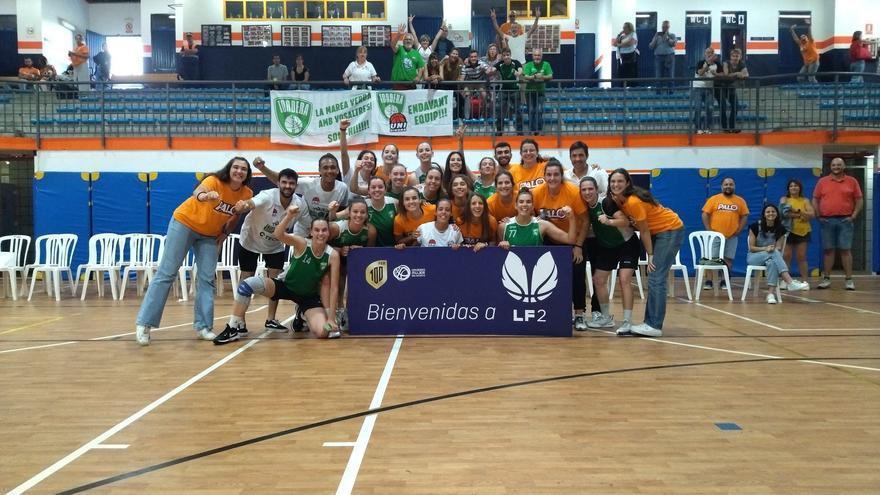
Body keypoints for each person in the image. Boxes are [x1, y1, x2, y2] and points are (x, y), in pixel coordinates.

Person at [135, 158, 254, 346]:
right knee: (167, 273)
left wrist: (224, 233)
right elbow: (198, 191)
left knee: (207, 278)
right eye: (236, 167)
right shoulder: (214, 181)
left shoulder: (247, 193)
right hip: (184, 223)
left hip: (209, 235)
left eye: (243, 169)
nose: (239, 171)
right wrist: (204, 197)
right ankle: (144, 324)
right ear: (229, 169)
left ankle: (204, 327)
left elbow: (235, 216)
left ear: (247, 174)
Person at [212, 207, 341, 344]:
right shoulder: (302, 243)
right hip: (285, 286)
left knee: (323, 332)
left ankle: (302, 314)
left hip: (308, 297)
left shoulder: (332, 255)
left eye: (324, 230)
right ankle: (233, 327)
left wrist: (331, 318)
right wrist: (289, 216)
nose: (320, 233)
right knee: (246, 285)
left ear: (329, 232)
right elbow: (278, 234)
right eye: (317, 230)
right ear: (310, 231)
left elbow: (334, 288)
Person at [610, 168, 684, 338]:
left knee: (656, 276)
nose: (616, 184)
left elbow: (643, 231)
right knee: (655, 277)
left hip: (670, 230)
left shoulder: (633, 201)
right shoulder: (620, 200)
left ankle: (654, 325)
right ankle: (649, 323)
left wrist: (650, 256)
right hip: (659, 232)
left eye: (620, 181)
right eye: (613, 181)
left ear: (627, 183)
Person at [236, 161, 307, 333]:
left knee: (274, 281)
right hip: (250, 240)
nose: (287, 186)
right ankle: (239, 320)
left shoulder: (299, 204)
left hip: (275, 244)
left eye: (291, 183)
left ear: (296, 186)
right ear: (278, 183)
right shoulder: (267, 195)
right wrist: (243, 205)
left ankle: (271, 319)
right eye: (284, 182)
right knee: (246, 278)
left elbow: (307, 224)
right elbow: (251, 203)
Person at [532, 159, 588, 328]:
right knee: (547, 276)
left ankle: (579, 314)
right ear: (544, 176)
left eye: (556, 174)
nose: (552, 178)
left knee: (577, 273)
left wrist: (578, 247)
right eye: (549, 174)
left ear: (561, 176)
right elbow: (533, 216)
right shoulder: (537, 193)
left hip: (572, 239)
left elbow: (585, 221)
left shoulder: (572, 191)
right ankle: (554, 311)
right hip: (549, 239)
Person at [580, 176, 640, 334]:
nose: (587, 192)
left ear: (596, 190)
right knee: (598, 280)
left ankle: (627, 321)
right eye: (584, 190)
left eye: (590, 189)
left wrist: (609, 221)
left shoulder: (606, 202)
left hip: (627, 243)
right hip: (607, 247)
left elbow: (625, 222)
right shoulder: (585, 208)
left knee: (625, 279)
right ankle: (606, 318)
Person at [812, 157, 863, 290]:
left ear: (844, 166)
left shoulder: (852, 181)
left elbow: (859, 200)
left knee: (846, 250)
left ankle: (849, 280)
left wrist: (853, 216)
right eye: (834, 165)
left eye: (839, 165)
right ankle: (826, 279)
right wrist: (818, 215)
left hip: (845, 220)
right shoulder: (822, 182)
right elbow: (815, 199)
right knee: (828, 250)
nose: (836, 167)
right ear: (831, 167)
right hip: (826, 220)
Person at [328, 197, 377, 328]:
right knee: (339, 277)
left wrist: (361, 251)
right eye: (355, 211)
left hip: (354, 263)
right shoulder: (336, 228)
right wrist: (338, 250)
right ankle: (338, 309)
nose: (359, 215)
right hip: (333, 261)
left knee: (355, 280)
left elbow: (370, 254)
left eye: (362, 212)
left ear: (367, 214)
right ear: (349, 213)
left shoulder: (370, 231)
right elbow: (320, 245)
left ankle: (351, 311)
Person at [746, 205, 811, 304]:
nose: (770, 213)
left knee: (772, 261)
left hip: (771, 255)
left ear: (777, 214)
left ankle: (770, 294)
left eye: (773, 211)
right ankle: (789, 281)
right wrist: (765, 248)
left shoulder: (780, 228)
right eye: (768, 212)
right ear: (764, 214)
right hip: (754, 256)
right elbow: (752, 248)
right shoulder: (755, 226)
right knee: (774, 254)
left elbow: (779, 247)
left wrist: (772, 249)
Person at [701, 177, 749, 290]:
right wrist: (709, 229)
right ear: (722, 186)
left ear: (734, 186)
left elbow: (745, 215)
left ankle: (724, 281)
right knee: (712, 258)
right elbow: (704, 214)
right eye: (726, 184)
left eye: (731, 184)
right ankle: (709, 281)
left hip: (731, 236)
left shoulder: (740, 201)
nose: (728, 186)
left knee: (728, 259)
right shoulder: (714, 199)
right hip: (715, 236)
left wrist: (739, 230)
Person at [498, 189, 575, 247]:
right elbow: (497, 253)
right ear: (515, 205)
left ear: (533, 206)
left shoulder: (542, 225)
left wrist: (571, 217)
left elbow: (570, 240)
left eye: (528, 202)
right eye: (521, 202)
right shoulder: (503, 226)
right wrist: (501, 245)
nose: (524, 204)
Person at [779, 179, 815, 283]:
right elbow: (783, 213)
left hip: (803, 231)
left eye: (796, 186)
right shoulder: (784, 199)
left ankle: (804, 281)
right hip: (787, 231)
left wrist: (794, 211)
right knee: (786, 256)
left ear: (800, 188)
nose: (793, 188)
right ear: (788, 189)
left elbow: (812, 214)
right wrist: (800, 214)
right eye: (791, 186)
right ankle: (786, 281)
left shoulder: (805, 200)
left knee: (801, 257)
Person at [522, 48, 553, 136]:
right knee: (531, 110)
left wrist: (542, 76)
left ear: (541, 56)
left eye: (539, 55)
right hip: (529, 92)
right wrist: (534, 76)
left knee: (539, 110)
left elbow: (550, 76)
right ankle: (531, 130)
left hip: (540, 92)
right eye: (535, 55)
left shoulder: (546, 64)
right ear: (532, 56)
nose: (537, 57)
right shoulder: (528, 65)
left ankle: (538, 130)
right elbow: (525, 76)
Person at [493, 48, 524, 135]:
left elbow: (520, 71)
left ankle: (520, 132)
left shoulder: (516, 62)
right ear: (502, 56)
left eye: (508, 55)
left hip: (515, 90)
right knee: (500, 111)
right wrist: (489, 70)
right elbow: (492, 69)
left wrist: (518, 73)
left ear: (510, 55)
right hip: (503, 90)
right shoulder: (500, 63)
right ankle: (499, 131)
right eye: (504, 55)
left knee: (518, 111)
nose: (506, 57)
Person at [719, 48, 749, 133]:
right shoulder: (726, 63)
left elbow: (746, 74)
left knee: (735, 106)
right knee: (723, 107)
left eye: (737, 56)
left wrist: (741, 74)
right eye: (733, 56)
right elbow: (726, 74)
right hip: (721, 86)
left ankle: (732, 127)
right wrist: (737, 74)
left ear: (740, 57)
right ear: (730, 56)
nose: (735, 58)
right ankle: (725, 128)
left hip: (731, 87)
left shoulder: (741, 63)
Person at [692, 46, 720, 134]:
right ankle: (698, 128)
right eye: (708, 53)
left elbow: (723, 73)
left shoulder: (717, 64)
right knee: (698, 108)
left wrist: (716, 74)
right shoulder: (700, 62)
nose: (710, 54)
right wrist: (707, 64)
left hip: (709, 89)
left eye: (711, 53)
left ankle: (707, 127)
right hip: (698, 88)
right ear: (705, 54)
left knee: (709, 109)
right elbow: (700, 73)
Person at [366, 176, 398, 247]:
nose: (377, 190)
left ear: (385, 190)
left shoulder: (394, 202)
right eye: (373, 187)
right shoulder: (363, 205)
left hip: (393, 248)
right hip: (371, 249)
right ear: (368, 190)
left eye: (380, 187)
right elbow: (341, 215)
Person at [391, 24, 426, 88]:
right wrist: (398, 34)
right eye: (406, 39)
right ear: (403, 42)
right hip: (398, 84)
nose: (408, 41)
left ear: (413, 42)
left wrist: (418, 77)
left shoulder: (416, 53)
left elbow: (421, 67)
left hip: (411, 85)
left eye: (410, 40)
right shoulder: (399, 49)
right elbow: (392, 45)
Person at [461, 49, 490, 119]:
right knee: (466, 94)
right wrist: (462, 87)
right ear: (469, 58)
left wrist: (486, 70)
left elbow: (488, 70)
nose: (473, 58)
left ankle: (484, 116)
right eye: (472, 57)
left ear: (477, 57)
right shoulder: (465, 66)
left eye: (475, 56)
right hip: (470, 82)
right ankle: (467, 117)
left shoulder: (481, 63)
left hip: (479, 82)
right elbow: (462, 78)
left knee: (485, 95)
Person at [649, 20, 676, 91]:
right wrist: (655, 38)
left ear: (669, 27)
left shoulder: (672, 35)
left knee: (670, 75)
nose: (664, 28)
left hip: (669, 57)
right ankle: (658, 91)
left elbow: (673, 44)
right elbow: (651, 46)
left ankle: (671, 91)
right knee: (658, 75)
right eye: (663, 26)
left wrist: (667, 38)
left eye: (666, 27)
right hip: (658, 57)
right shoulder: (657, 35)